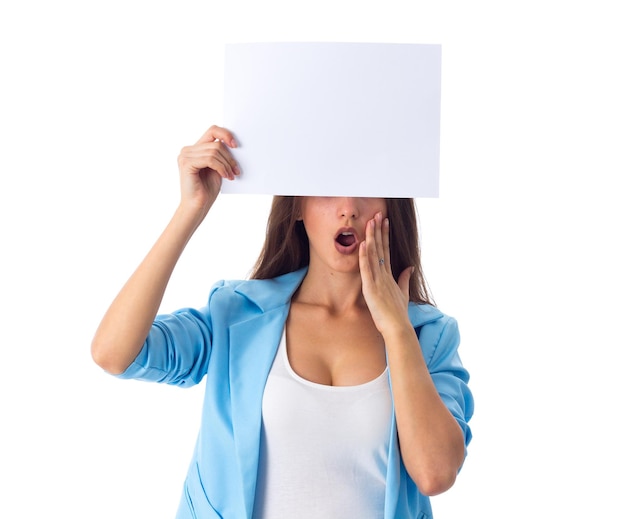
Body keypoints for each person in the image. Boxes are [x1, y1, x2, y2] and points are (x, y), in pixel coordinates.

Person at [91, 125, 474, 519]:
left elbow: (435, 474)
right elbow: (114, 354)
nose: (349, 208)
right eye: (327, 187)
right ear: (296, 206)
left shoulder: (429, 336)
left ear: (394, 203)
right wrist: (191, 210)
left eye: (367, 187)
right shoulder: (236, 316)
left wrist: (396, 328)